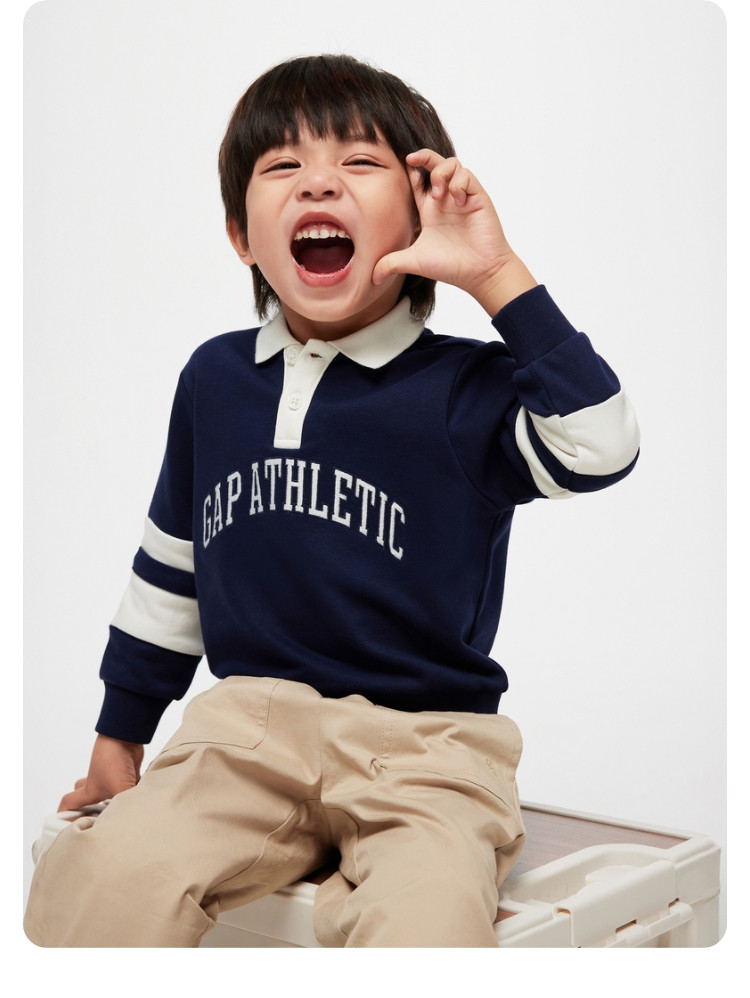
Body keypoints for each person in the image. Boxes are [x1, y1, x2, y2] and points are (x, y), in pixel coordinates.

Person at [24, 53, 640, 947]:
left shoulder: (466, 389)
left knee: (427, 924)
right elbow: (171, 568)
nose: (318, 181)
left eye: (359, 161)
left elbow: (602, 443)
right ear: (241, 235)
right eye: (283, 166)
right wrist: (120, 737)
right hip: (242, 736)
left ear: (420, 214)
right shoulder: (215, 379)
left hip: (429, 747)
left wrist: (496, 274)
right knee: (100, 881)